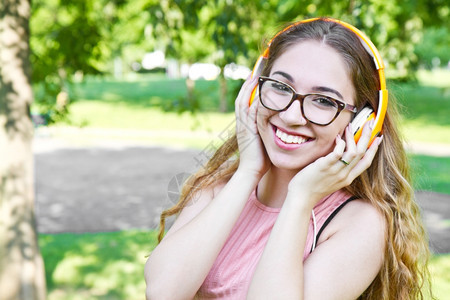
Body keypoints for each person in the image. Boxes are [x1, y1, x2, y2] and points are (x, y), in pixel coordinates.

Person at [145, 17, 431, 299]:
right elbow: (163, 292)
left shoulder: (360, 223)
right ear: (255, 89)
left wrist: (300, 198)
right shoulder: (221, 184)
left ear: (362, 123)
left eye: (324, 101)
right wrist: (248, 172)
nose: (291, 115)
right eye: (281, 87)